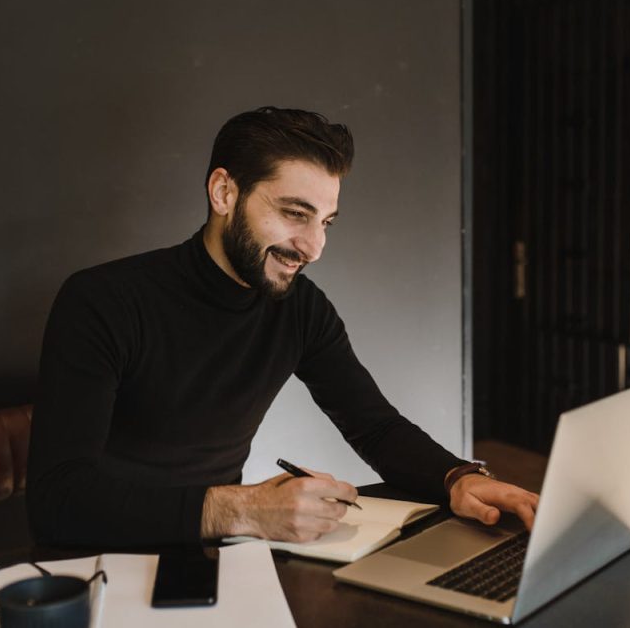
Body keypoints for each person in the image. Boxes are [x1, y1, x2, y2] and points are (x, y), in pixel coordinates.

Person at [26, 106, 538, 549]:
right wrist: (244, 510)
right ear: (224, 192)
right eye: (296, 213)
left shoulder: (300, 309)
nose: (314, 247)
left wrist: (457, 479)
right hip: (103, 563)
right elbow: (58, 501)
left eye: (326, 222)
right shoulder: (102, 301)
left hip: (220, 557)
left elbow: (375, 426)